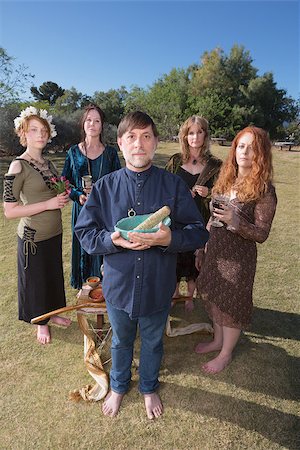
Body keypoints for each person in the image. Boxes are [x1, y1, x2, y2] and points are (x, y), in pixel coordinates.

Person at [75, 111, 209, 419]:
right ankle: (120, 386)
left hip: (157, 285)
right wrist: (112, 240)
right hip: (119, 286)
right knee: (121, 342)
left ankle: (149, 386)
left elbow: (198, 231)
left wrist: (168, 239)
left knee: (152, 341)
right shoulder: (105, 187)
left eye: (146, 136)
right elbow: (85, 232)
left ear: (156, 143)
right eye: (132, 137)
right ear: (120, 143)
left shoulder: (173, 186)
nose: (139, 144)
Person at [195, 126, 277, 373]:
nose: (245, 151)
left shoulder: (264, 190)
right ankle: (218, 340)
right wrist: (203, 246)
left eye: (252, 147)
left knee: (231, 303)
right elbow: (212, 218)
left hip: (238, 257)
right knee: (215, 296)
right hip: (215, 250)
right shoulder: (226, 178)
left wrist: (236, 222)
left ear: (260, 154)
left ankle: (226, 353)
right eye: (241, 146)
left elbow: (261, 233)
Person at [3, 106, 71, 345]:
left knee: (52, 276)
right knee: (36, 280)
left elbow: (53, 189)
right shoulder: (17, 166)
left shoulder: (48, 163)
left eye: (43, 130)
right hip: (32, 235)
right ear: (24, 133)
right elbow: (10, 211)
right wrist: (48, 203)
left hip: (54, 231)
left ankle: (53, 313)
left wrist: (62, 195)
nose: (40, 135)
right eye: (34, 130)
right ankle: (40, 322)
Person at [165, 116, 222, 311]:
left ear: (205, 135)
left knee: (194, 259)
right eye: (191, 133)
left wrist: (209, 194)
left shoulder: (215, 165)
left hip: (201, 219)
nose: (195, 137)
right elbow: (163, 188)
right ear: (185, 136)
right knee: (174, 257)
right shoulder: (175, 161)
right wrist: (180, 195)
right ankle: (174, 293)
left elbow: (224, 194)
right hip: (176, 220)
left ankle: (190, 296)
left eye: (199, 132)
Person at [61, 104, 121, 289]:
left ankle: (105, 286)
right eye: (89, 120)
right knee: (83, 247)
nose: (92, 124)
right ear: (83, 123)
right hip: (81, 210)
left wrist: (104, 194)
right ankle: (84, 288)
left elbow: (120, 182)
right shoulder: (73, 152)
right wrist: (78, 195)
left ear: (102, 125)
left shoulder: (110, 153)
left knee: (103, 246)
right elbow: (65, 181)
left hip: (104, 211)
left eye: (97, 121)